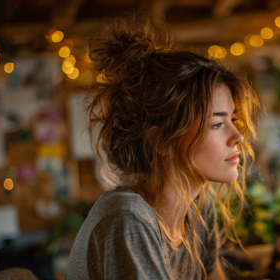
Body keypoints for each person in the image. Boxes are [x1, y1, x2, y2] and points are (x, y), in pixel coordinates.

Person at [67, 13, 259, 280]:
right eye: (216, 124)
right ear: (160, 141)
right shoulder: (128, 220)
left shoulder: (198, 210)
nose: (238, 136)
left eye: (233, 120)